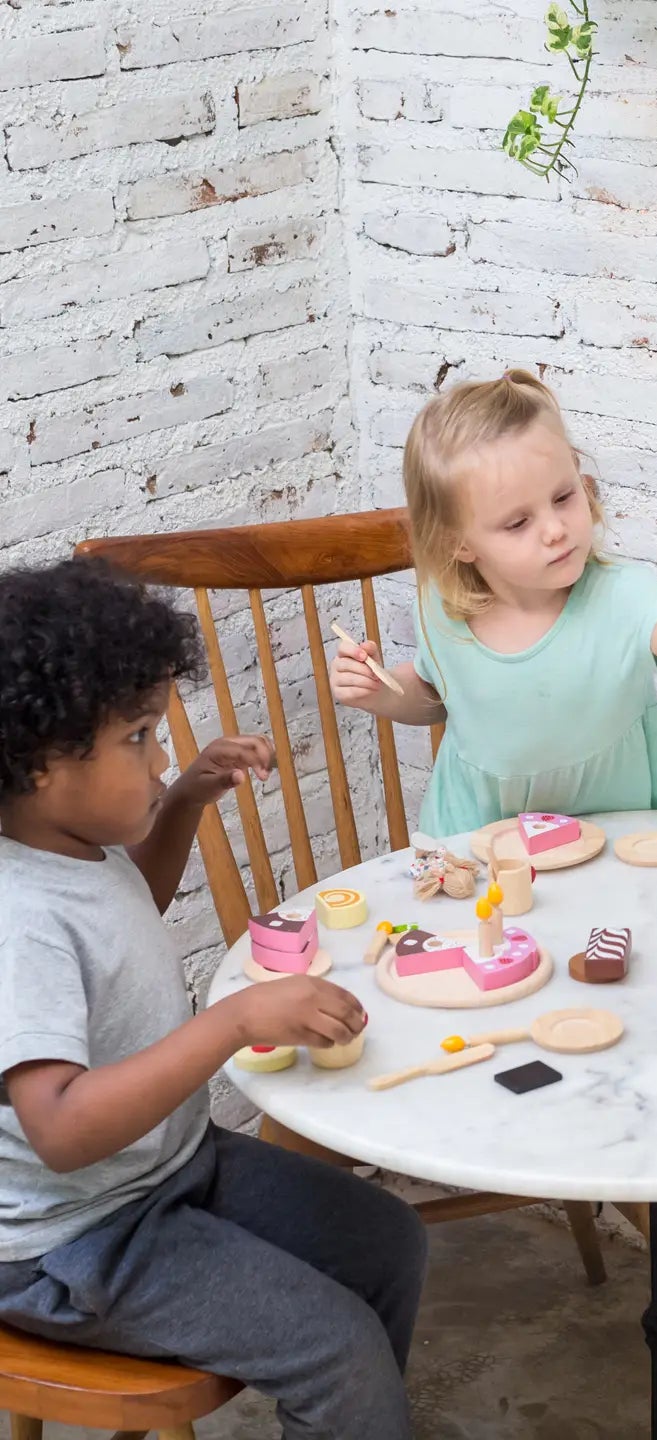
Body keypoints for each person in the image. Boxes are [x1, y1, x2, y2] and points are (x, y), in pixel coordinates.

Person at [0, 558, 427, 1438]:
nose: (160, 754)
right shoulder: (17, 920)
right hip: (73, 1241)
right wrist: (231, 1023)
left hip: (167, 1169)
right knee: (335, 1349)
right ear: (43, 764)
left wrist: (185, 796)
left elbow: (130, 914)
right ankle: (351, 1402)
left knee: (390, 1243)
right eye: (140, 740)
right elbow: (63, 1127)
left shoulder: (71, 843)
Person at [331, 370, 657, 835]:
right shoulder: (443, 611)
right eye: (518, 523)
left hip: (622, 836)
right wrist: (383, 692)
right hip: (481, 840)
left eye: (563, 496)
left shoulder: (622, 595)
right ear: (459, 544)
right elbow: (439, 696)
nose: (555, 529)